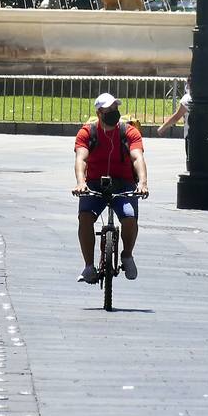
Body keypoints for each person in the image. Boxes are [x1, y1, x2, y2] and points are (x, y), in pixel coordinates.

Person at [73, 92, 149, 283]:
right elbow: (81, 159)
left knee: (130, 217)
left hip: (123, 184)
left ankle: (127, 255)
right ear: (99, 113)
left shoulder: (129, 132)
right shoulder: (87, 133)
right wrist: (81, 183)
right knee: (85, 217)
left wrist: (143, 183)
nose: (114, 112)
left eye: (116, 108)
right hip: (94, 183)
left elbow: (137, 157)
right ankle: (89, 266)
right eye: (109, 109)